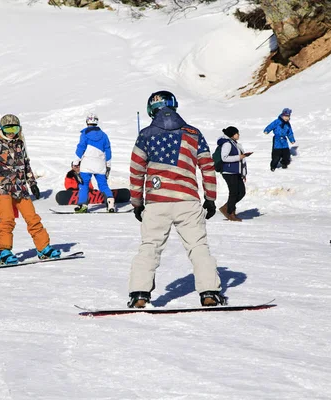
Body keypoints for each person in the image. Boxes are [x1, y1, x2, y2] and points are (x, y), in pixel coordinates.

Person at [127, 90, 226, 308]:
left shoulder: (145, 135)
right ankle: (209, 291)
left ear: (151, 109)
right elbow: (207, 167)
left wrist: (137, 203)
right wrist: (210, 199)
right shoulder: (193, 133)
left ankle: (139, 294)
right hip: (187, 200)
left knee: (150, 246)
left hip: (156, 202)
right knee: (198, 246)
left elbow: (136, 172)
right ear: (174, 105)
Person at [0, 114, 62, 265]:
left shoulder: (20, 144)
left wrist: (32, 183)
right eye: (8, 128)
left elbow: (26, 165)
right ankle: (3, 252)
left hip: (21, 189)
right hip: (2, 189)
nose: (11, 132)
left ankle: (43, 248)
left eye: (15, 128)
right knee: (7, 220)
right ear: (2, 129)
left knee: (33, 218)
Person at [72, 113, 115, 213]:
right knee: (103, 184)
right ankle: (110, 202)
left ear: (87, 121)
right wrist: (108, 165)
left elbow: (81, 148)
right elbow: (108, 151)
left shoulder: (84, 134)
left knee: (84, 184)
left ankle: (83, 205)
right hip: (100, 163)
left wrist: (76, 162)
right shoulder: (104, 135)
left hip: (87, 164)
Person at [216, 126, 250, 222]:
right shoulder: (227, 144)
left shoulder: (234, 143)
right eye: (237, 133)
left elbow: (240, 160)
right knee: (234, 192)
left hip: (236, 172)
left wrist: (243, 173)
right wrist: (240, 156)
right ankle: (230, 212)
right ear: (232, 134)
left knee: (241, 192)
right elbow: (224, 158)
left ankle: (226, 207)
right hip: (229, 171)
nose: (238, 135)